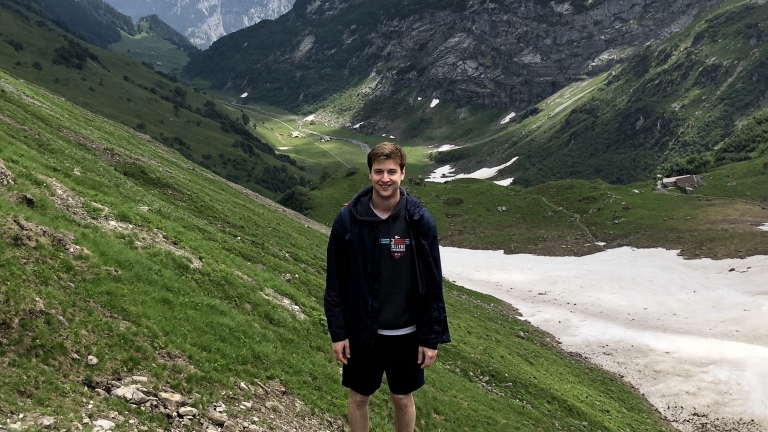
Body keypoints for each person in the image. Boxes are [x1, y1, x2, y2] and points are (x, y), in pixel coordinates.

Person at [324, 142, 451, 432]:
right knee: (359, 397)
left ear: (402, 174)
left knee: (402, 397)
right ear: (369, 174)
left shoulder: (420, 221)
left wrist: (430, 338)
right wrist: (338, 332)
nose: (385, 178)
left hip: (406, 333)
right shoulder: (347, 220)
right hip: (362, 331)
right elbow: (336, 281)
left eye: (392, 171)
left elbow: (433, 283)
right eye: (378, 171)